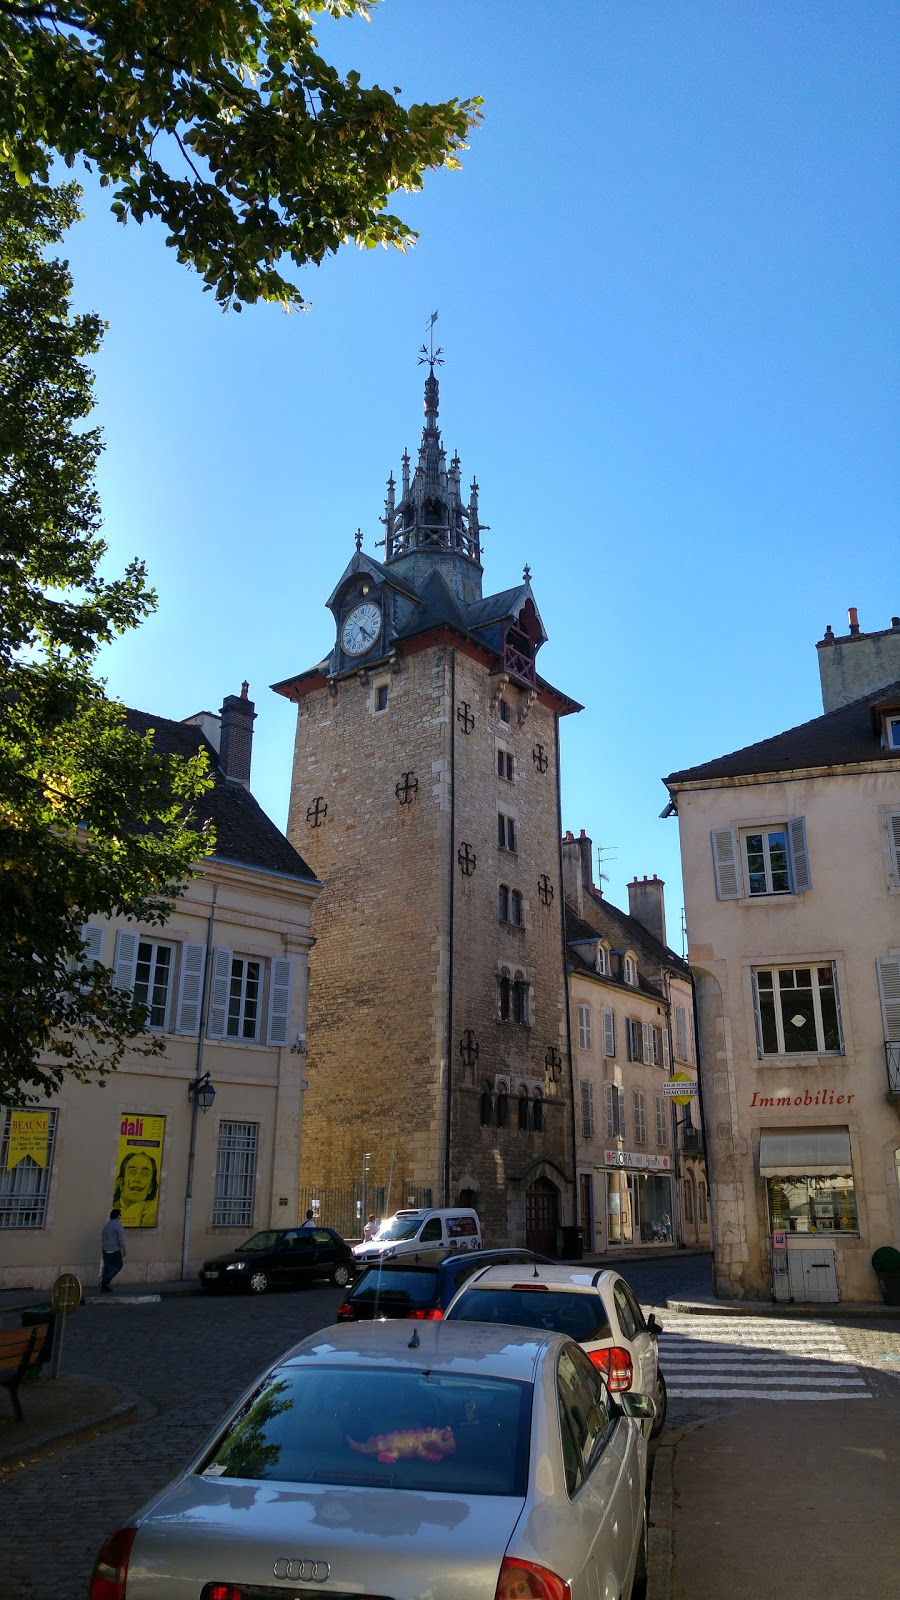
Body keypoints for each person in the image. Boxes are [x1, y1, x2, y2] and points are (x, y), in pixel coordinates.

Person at [113, 1150, 159, 1227]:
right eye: (132, 1172)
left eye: (145, 1173)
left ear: (151, 1188)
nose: (137, 1179)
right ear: (121, 1182)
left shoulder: (153, 1212)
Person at [100, 1208, 126, 1291]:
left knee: (108, 1267)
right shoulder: (118, 1226)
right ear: (118, 1216)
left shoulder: (107, 1225)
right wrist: (124, 1250)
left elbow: (103, 1238)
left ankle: (105, 1286)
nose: (120, 1217)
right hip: (115, 1250)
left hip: (105, 1249)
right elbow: (121, 1240)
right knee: (118, 1265)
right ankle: (106, 1280)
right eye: (120, 1215)